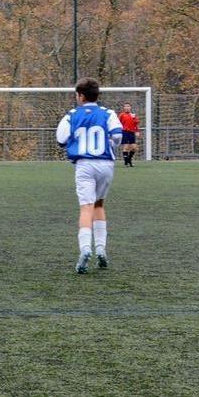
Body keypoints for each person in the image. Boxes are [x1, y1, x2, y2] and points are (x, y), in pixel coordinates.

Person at [57, 77, 122, 273]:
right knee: (99, 204)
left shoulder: (72, 115)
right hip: (105, 163)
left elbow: (61, 139)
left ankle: (85, 250)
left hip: (84, 164)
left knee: (86, 207)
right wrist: (109, 144)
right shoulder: (108, 113)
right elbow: (118, 136)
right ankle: (101, 249)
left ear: (81, 96)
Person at [117, 103, 139, 167]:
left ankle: (129, 159)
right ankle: (126, 163)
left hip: (131, 133)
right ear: (124, 108)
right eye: (125, 106)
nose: (127, 107)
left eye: (128, 106)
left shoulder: (133, 115)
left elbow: (135, 124)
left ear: (130, 107)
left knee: (134, 148)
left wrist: (137, 131)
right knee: (126, 147)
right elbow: (118, 123)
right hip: (124, 132)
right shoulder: (122, 115)